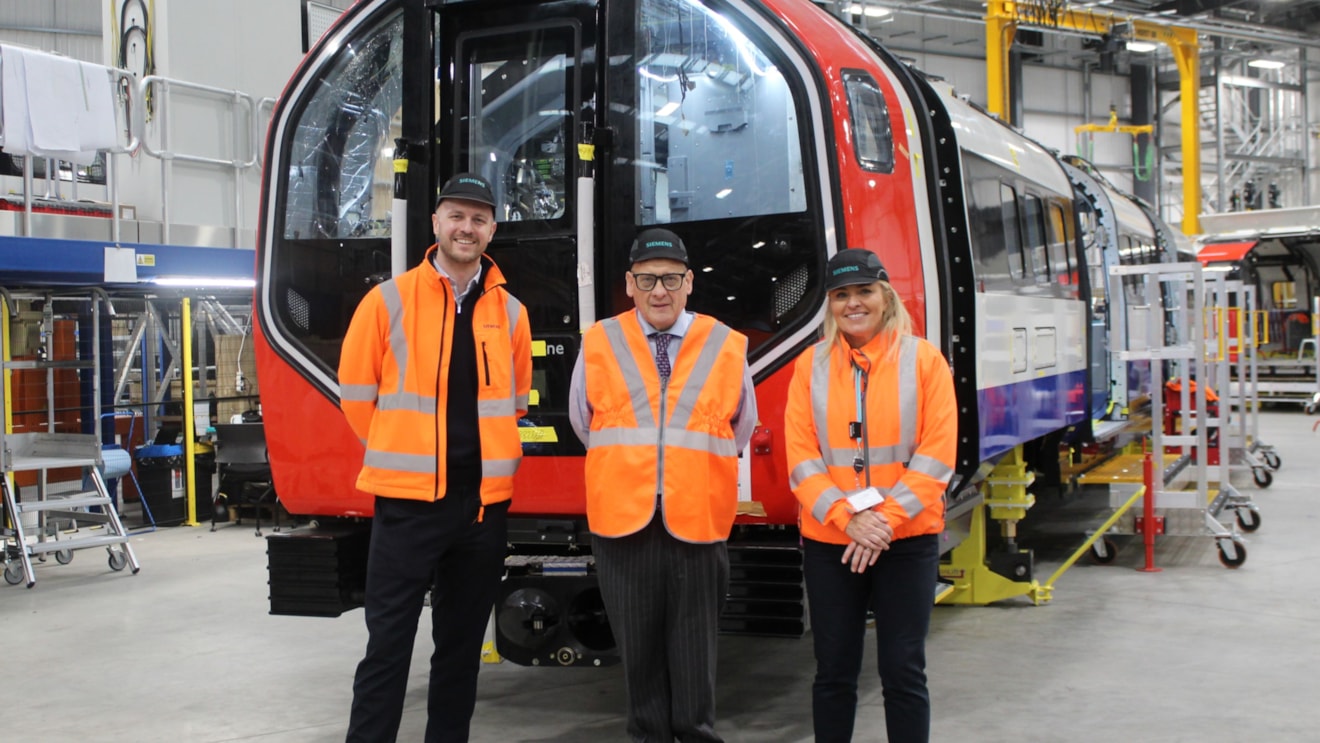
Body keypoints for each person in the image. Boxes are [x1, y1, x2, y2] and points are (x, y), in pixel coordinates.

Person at [339, 172, 533, 743]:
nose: (466, 228)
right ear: (435, 224)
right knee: (387, 652)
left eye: (478, 219)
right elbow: (355, 396)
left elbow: (515, 404)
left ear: (492, 229)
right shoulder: (387, 301)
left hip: (481, 511)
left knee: (459, 656)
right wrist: (403, 459)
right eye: (456, 216)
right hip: (407, 509)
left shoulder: (512, 315)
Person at [568, 227, 757, 743]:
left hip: (697, 518)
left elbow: (740, 426)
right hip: (623, 520)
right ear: (629, 284)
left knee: (696, 647)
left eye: (671, 279)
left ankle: (696, 735)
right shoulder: (600, 341)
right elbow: (584, 422)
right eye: (647, 279)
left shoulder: (724, 344)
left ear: (690, 282)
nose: (659, 291)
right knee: (638, 648)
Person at [783, 248, 957, 743]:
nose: (853, 304)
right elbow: (801, 458)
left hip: (906, 540)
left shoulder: (924, 361)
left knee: (904, 671)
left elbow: (937, 456)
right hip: (832, 540)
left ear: (885, 296)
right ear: (830, 305)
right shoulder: (809, 366)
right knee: (833, 670)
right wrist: (848, 520)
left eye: (864, 291)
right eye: (841, 295)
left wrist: (881, 523)